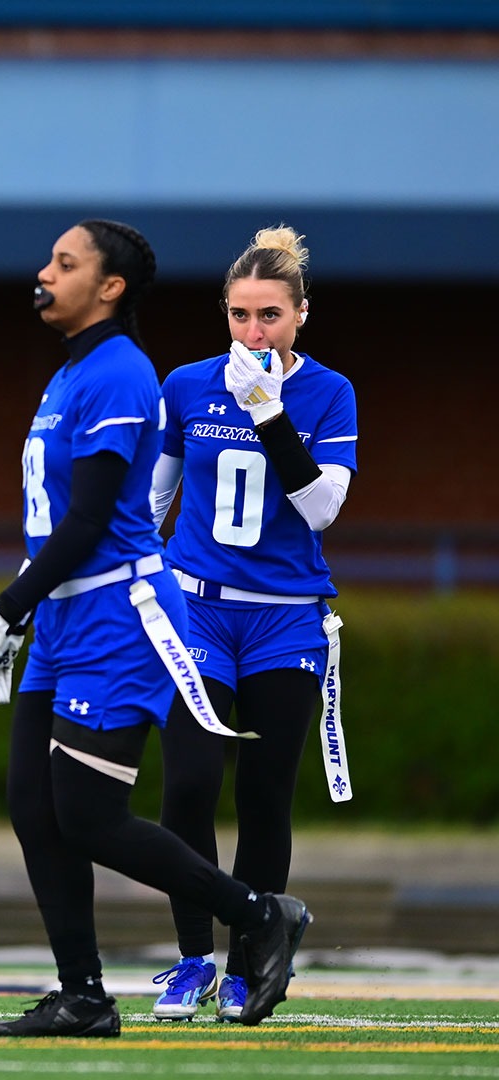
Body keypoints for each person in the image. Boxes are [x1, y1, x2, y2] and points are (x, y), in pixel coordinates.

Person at [0, 220, 312, 1036]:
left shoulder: (119, 370)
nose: (44, 273)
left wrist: (5, 605)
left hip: (118, 612)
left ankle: (258, 914)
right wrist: (31, 612)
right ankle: (83, 994)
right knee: (32, 807)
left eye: (65, 263)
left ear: (110, 287)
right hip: (68, 613)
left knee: (88, 815)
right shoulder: (73, 370)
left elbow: (88, 522)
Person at [146, 226, 357, 1022]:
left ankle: (247, 963)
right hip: (196, 607)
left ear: (301, 313)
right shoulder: (188, 384)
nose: (252, 332)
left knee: (265, 797)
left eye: (269, 314)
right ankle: (193, 958)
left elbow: (323, 508)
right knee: (191, 784)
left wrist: (269, 413)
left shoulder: (329, 393)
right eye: (239, 315)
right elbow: (152, 502)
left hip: (284, 622)